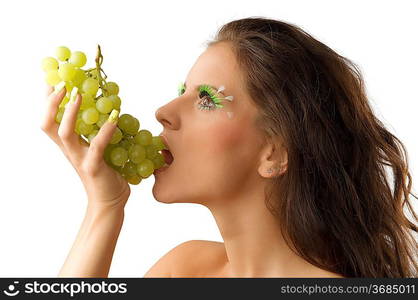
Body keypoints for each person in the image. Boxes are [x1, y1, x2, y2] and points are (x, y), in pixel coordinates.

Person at [41, 17, 418, 278]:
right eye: (181, 92)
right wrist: (105, 208)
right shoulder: (184, 269)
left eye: (206, 98)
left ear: (274, 153)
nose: (163, 112)